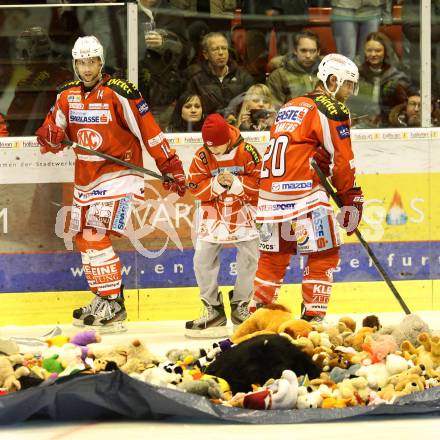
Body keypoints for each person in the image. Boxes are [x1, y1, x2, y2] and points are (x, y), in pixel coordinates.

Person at [35, 35, 186, 332]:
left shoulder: (120, 91)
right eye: (81, 62)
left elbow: (149, 131)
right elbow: (50, 134)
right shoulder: (66, 95)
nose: (86, 68)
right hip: (85, 179)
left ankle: (114, 303)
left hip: (119, 175)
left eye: (92, 61)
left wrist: (171, 166)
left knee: (94, 235)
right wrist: (49, 136)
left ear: (101, 62)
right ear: (75, 64)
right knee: (83, 236)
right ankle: (101, 298)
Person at [249, 53, 364, 323]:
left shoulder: (291, 105)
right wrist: (350, 196)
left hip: (269, 195)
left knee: (273, 256)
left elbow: (295, 147)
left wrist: (318, 156)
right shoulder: (332, 108)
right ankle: (313, 315)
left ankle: (259, 315)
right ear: (332, 81)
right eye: (348, 84)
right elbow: (343, 160)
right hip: (304, 195)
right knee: (324, 252)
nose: (349, 92)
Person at [185, 113, 261, 337]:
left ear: (228, 138)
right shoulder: (202, 155)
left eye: (217, 147)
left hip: (243, 210)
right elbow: (194, 186)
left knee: (251, 257)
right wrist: (217, 182)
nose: (214, 152)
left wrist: (236, 183)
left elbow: (262, 183)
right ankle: (212, 308)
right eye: (210, 147)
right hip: (213, 212)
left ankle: (241, 305)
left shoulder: (248, 151)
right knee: (202, 259)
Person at [6, 26, 72, 136]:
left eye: (22, 53)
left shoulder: (26, 85)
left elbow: (14, 124)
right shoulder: (67, 75)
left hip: (38, 141)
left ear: (30, 53)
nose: (20, 58)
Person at [185, 32, 255, 118]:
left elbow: (252, 109)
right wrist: (220, 117)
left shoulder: (244, 78)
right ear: (206, 54)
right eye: (215, 49)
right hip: (208, 128)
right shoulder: (196, 81)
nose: (221, 53)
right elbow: (192, 113)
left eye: (224, 48)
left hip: (239, 128)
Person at [348, 31, 408, 128]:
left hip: (390, 125)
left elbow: (404, 104)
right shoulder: (356, 76)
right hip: (361, 124)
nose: (373, 54)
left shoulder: (397, 77)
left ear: (385, 52)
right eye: (369, 50)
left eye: (378, 50)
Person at [266, 30, 321, 109]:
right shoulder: (279, 75)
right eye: (303, 50)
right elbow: (273, 110)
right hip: (291, 119)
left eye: (312, 51)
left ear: (318, 52)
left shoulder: (326, 74)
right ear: (295, 50)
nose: (308, 55)